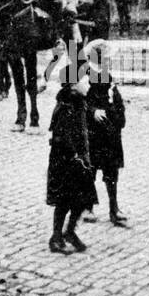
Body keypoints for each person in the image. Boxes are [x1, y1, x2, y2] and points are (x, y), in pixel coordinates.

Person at [45, 62, 98, 254]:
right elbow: (61, 136)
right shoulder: (66, 106)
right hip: (66, 162)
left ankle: (70, 231)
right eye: (85, 80)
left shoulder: (80, 102)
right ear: (73, 84)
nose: (89, 84)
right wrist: (75, 155)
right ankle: (56, 237)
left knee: (83, 199)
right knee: (64, 201)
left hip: (80, 160)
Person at [83, 47, 128, 227]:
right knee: (90, 170)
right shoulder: (84, 77)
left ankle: (114, 209)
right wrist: (92, 112)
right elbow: (80, 102)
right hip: (93, 132)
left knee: (111, 171)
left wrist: (119, 117)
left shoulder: (108, 77)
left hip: (110, 132)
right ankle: (87, 207)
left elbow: (117, 100)